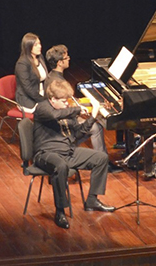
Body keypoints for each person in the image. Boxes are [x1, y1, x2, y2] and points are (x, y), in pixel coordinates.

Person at [33, 79, 114, 229]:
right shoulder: (43, 108)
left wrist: (92, 117)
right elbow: (54, 115)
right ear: (53, 100)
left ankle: (92, 200)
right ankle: (60, 211)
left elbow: (77, 133)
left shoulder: (67, 110)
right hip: (46, 153)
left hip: (68, 152)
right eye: (64, 101)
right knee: (61, 166)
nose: (67, 104)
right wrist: (77, 110)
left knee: (101, 158)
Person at [44, 44, 107, 154]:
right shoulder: (58, 82)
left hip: (60, 116)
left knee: (95, 120)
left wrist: (91, 105)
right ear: (59, 62)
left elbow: (71, 102)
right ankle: (102, 161)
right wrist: (96, 106)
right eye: (66, 58)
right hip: (62, 121)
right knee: (96, 127)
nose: (69, 59)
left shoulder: (51, 76)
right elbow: (69, 108)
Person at [15, 32, 48, 114]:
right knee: (48, 110)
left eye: (39, 43)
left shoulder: (40, 57)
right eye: (36, 45)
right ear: (28, 47)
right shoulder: (22, 64)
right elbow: (27, 88)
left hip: (41, 93)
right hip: (27, 99)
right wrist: (43, 99)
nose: (39, 46)